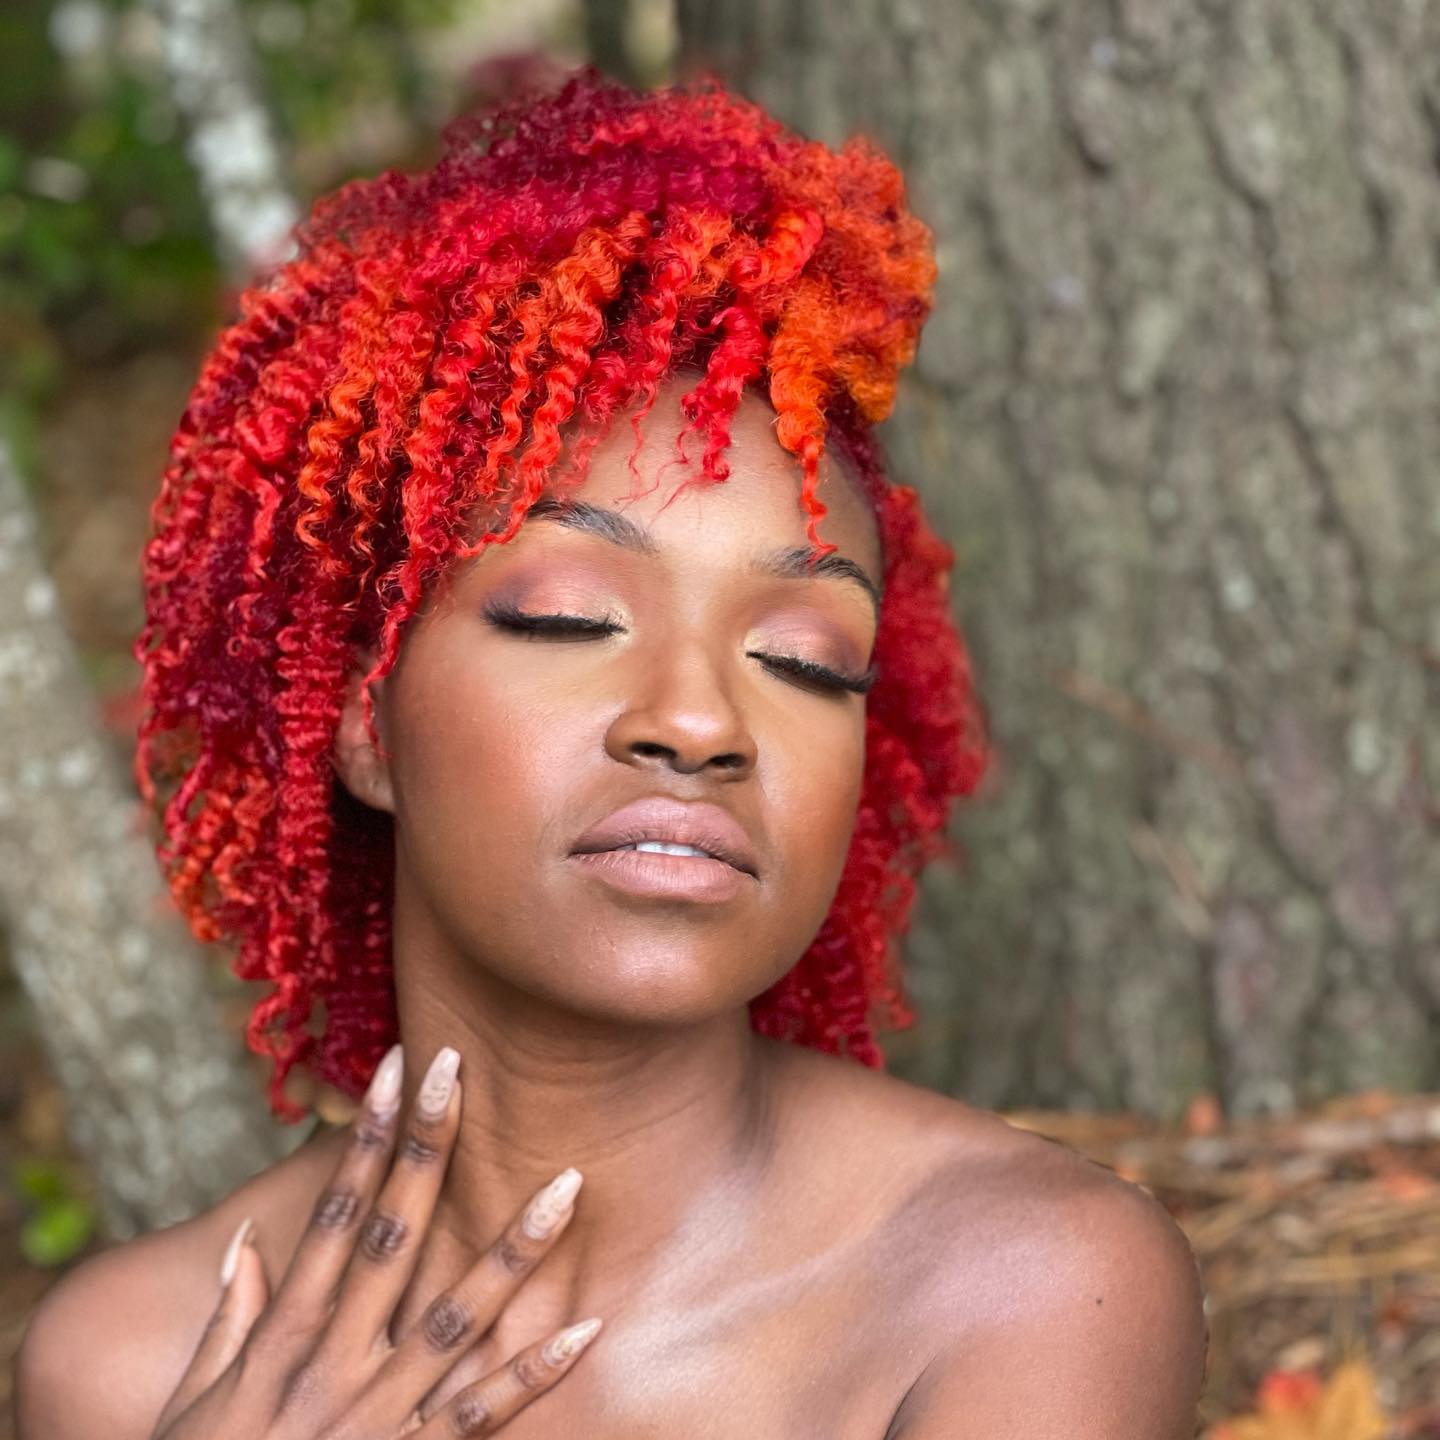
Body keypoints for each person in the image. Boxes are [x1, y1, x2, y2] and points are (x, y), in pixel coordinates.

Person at [14, 71, 1206, 1438]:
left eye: (806, 659)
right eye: (569, 617)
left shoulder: (1024, 1291)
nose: (699, 723)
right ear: (361, 720)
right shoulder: (133, 1370)